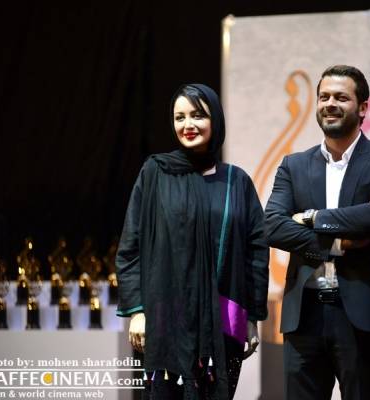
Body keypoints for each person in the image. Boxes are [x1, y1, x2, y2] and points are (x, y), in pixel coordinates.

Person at [116, 83, 269, 400]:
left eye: (198, 115)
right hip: (165, 322)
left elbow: (256, 254)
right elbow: (131, 246)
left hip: (224, 321)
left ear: (216, 120)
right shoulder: (156, 173)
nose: (188, 124)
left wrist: (252, 317)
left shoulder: (236, 182)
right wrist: (137, 311)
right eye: (179, 117)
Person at [265, 65, 370, 400]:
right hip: (305, 314)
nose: (330, 104)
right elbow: (272, 225)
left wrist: (310, 217)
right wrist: (337, 243)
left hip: (362, 314)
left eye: (341, 98)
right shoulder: (293, 165)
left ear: (363, 108)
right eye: (324, 97)